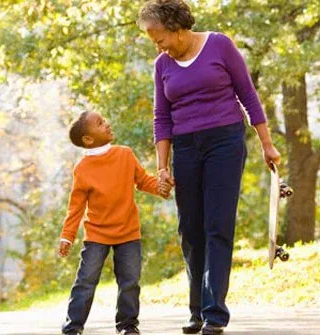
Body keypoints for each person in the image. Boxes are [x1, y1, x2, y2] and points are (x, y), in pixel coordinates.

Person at [137, 1, 281, 334]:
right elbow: (161, 118)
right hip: (186, 148)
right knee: (190, 230)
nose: (158, 46)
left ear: (177, 26)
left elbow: (247, 94)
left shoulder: (219, 44)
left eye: (160, 39)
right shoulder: (162, 65)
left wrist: (267, 144)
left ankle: (214, 313)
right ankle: (196, 310)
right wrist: (162, 166)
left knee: (217, 227)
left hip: (224, 142)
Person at [59, 111, 171, 335]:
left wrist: (159, 188)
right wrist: (67, 236)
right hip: (97, 235)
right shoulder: (82, 169)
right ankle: (73, 326)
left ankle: (127, 325)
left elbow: (142, 181)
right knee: (86, 281)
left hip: (128, 231)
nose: (107, 123)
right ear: (88, 139)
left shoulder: (125, 155)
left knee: (129, 281)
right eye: (100, 123)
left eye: (104, 120)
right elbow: (76, 207)